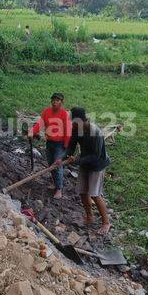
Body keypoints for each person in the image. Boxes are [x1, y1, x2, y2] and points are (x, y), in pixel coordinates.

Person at [56, 107, 112, 235]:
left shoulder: (95, 132)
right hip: (84, 162)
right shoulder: (76, 129)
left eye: (74, 121)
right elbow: (70, 147)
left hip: (97, 164)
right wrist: (61, 158)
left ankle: (106, 222)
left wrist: (75, 160)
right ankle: (89, 217)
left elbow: (95, 156)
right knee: (82, 192)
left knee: (94, 194)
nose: (72, 123)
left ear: (81, 120)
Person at [28, 93, 71, 199]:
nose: (55, 102)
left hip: (60, 144)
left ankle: (59, 189)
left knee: (57, 165)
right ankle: (55, 183)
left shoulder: (64, 114)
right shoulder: (46, 112)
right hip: (50, 142)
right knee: (50, 164)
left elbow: (68, 131)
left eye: (58, 100)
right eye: (53, 100)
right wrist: (32, 132)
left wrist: (66, 146)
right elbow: (39, 124)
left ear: (62, 102)